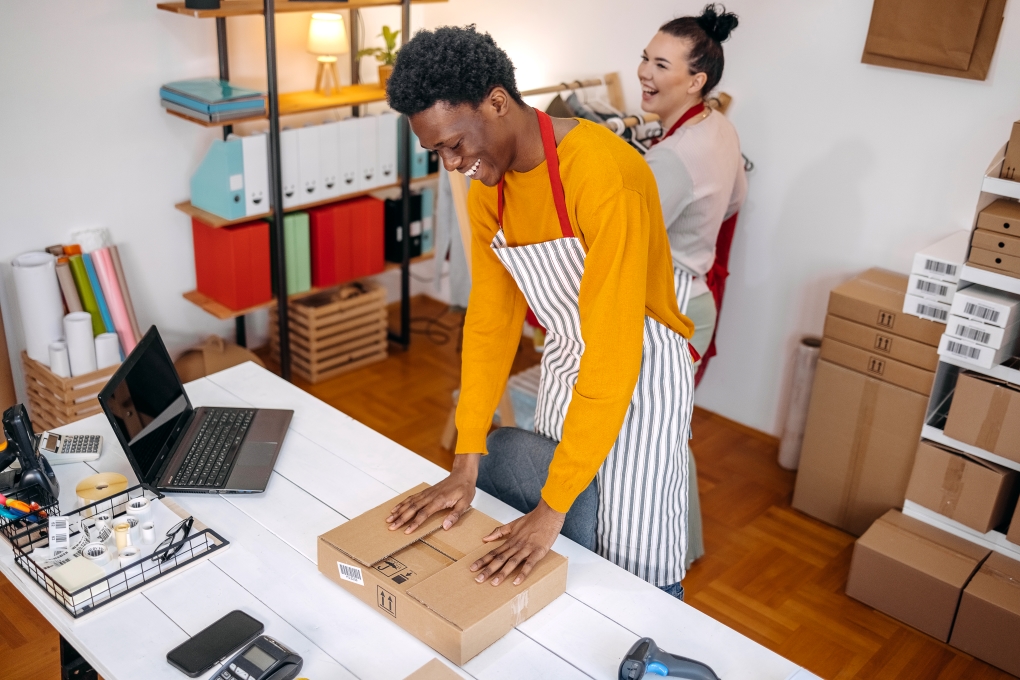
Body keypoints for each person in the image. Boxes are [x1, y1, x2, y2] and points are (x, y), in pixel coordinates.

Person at [383, 25, 698, 599]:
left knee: (632, 565)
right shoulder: (490, 190)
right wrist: (465, 462)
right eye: (437, 152)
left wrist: (552, 509)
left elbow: (615, 350)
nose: (451, 163)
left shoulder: (605, 177)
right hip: (568, 357)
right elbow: (490, 323)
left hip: (640, 372)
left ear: (496, 102)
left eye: (454, 143)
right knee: (563, 552)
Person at [638, 5, 747, 568]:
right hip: (696, 303)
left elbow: (626, 238)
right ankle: (680, 549)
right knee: (666, 435)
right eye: (645, 58)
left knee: (651, 443)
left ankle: (661, 556)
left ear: (695, 80)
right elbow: (733, 204)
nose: (644, 73)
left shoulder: (674, 155)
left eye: (661, 65)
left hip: (670, 308)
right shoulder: (720, 127)